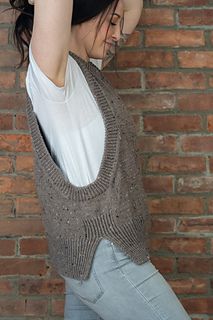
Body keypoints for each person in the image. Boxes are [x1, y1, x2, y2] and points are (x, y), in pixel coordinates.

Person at [9, 0, 192, 319]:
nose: (120, 34)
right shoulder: (53, 79)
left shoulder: (86, 70)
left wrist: (116, 12)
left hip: (94, 260)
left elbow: (131, 10)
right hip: (106, 258)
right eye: (113, 23)